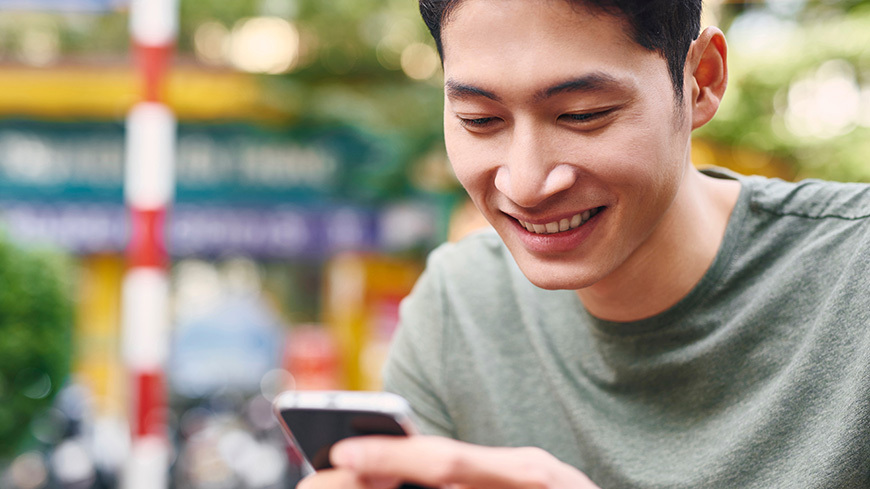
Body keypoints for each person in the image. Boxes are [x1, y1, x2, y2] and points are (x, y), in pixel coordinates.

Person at [301, 0, 870, 487]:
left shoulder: (854, 274)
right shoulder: (460, 307)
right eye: (480, 120)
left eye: (583, 115)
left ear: (700, 80)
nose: (524, 183)